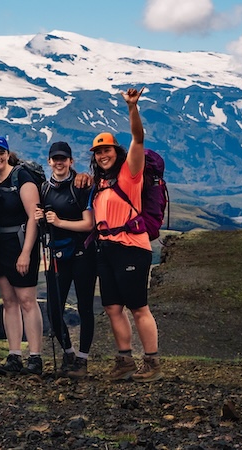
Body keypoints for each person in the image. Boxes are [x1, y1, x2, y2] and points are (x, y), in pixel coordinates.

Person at [91, 87, 162, 382]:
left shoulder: (130, 174)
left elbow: (138, 138)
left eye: (107, 150)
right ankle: (124, 360)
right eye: (98, 152)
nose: (103, 155)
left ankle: (153, 363)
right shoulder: (100, 183)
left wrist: (132, 108)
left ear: (116, 152)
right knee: (111, 307)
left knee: (138, 306)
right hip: (107, 248)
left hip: (132, 247)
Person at [35, 141, 96, 378]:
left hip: (83, 254)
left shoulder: (80, 187)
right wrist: (41, 218)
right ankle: (68, 352)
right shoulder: (44, 188)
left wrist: (58, 222)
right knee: (53, 309)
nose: (59, 163)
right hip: (57, 256)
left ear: (71, 161)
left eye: (63, 159)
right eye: (55, 159)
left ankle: (82, 359)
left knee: (85, 307)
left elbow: (88, 224)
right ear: (49, 162)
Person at [0, 136, 43, 376]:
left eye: (1, 153)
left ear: (8, 154)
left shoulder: (21, 178)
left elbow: (33, 217)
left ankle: (36, 357)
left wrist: (26, 253)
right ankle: (14, 355)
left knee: (27, 301)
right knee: (8, 301)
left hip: (20, 244)